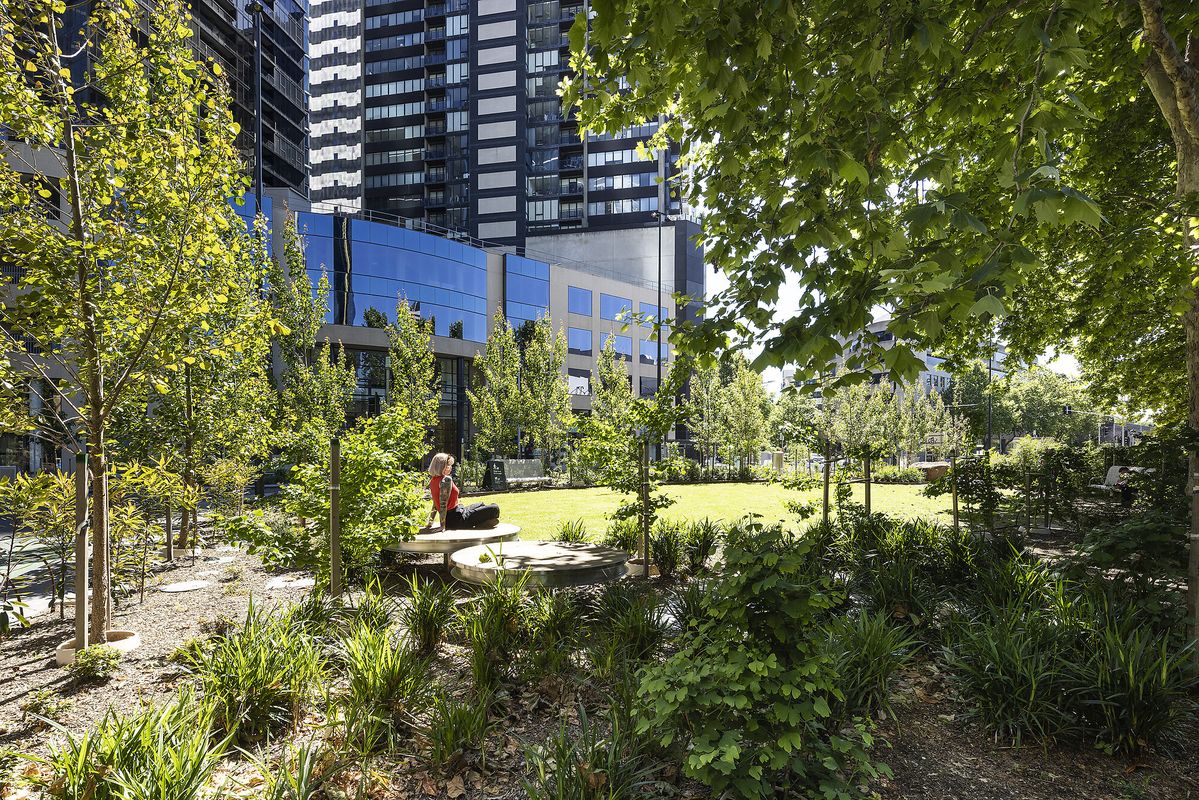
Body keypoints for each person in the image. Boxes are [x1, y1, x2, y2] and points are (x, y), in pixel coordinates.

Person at [426, 452, 500, 530]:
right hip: (456, 519)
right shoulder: (446, 480)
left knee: (481, 504)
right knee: (494, 508)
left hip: (457, 511)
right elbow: (443, 504)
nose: (450, 467)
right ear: (441, 466)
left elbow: (435, 503)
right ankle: (482, 522)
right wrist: (442, 526)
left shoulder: (433, 481)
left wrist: (430, 522)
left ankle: (482, 521)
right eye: (448, 465)